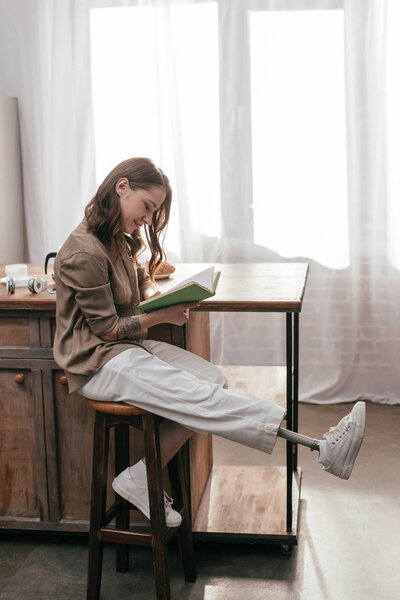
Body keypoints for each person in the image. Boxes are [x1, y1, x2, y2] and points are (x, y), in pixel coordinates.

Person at [54, 157, 366, 527]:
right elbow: (106, 330)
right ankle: (322, 448)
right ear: (122, 188)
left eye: (154, 212)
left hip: (125, 349)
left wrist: (159, 296)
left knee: (212, 381)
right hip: (95, 361)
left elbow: (139, 280)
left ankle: (138, 477)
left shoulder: (116, 239)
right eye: (147, 207)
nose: (149, 220)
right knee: (199, 397)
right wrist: (161, 316)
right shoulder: (84, 251)